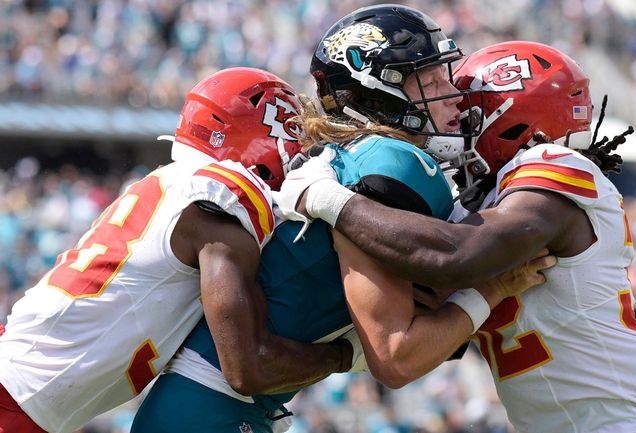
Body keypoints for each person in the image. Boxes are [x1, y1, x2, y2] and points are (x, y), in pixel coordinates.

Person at [129, 6, 554, 433]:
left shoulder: (365, 156)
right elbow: (398, 354)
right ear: (378, 88)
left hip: (207, 405)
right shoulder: (394, 161)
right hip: (214, 408)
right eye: (431, 80)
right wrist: (493, 287)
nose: (454, 94)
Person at [278, 41, 636, 433]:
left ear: (507, 115)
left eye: (468, 112)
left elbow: (458, 254)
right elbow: (416, 334)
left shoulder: (556, 167)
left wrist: (329, 199)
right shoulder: (489, 201)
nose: (455, 118)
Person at [0, 67, 359, 433]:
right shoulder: (218, 199)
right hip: (16, 399)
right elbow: (246, 367)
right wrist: (345, 355)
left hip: (20, 388)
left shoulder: (170, 183)